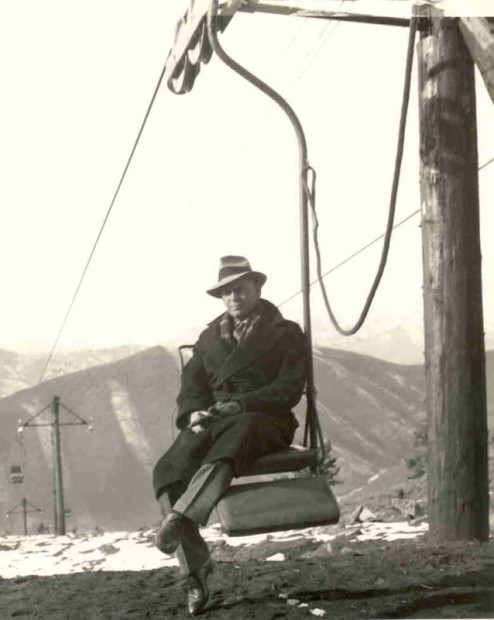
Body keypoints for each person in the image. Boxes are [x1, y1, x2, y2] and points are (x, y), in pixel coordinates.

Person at [152, 255, 307, 616]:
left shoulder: (285, 333)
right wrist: (194, 412)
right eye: (226, 292)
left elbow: (288, 388)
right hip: (216, 419)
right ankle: (196, 570)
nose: (233, 297)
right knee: (168, 470)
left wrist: (240, 404)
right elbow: (191, 384)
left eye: (240, 289)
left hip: (264, 419)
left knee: (238, 434)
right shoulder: (209, 337)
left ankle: (180, 518)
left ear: (257, 288)